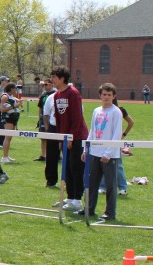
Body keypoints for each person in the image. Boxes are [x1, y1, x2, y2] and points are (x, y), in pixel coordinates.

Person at [52, 66, 88, 212]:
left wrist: (71, 137)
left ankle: (77, 200)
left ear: (62, 78)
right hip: (65, 137)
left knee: (76, 167)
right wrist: (61, 138)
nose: (52, 80)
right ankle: (70, 196)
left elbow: (77, 118)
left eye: (54, 77)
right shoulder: (56, 95)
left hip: (78, 136)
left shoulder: (73, 93)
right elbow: (58, 118)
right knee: (66, 167)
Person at [86, 83, 123, 223]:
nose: (106, 97)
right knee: (92, 183)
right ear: (100, 95)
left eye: (109, 95)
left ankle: (110, 212)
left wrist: (108, 153)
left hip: (109, 155)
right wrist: (87, 148)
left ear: (114, 96)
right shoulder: (96, 110)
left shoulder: (116, 112)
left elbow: (117, 134)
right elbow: (92, 130)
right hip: (94, 152)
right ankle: (89, 208)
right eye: (104, 94)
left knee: (110, 185)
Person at [0, 82, 22, 163]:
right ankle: (4, 157)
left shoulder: (12, 97)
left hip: (13, 118)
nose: (16, 90)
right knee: (8, 137)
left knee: (10, 137)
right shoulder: (5, 96)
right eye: (15, 88)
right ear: (11, 89)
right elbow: (2, 110)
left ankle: (6, 155)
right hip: (7, 118)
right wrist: (14, 106)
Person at [36, 79, 55, 161]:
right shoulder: (43, 95)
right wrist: (39, 118)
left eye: (46, 84)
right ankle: (43, 155)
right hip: (43, 118)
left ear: (51, 84)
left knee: (54, 138)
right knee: (43, 137)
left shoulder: (55, 94)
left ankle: (56, 155)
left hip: (52, 119)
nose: (45, 86)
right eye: (44, 85)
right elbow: (40, 108)